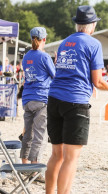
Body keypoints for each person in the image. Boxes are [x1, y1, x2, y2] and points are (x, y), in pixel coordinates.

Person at [45, 5, 108, 194]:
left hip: (54, 98)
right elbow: (97, 81)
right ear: (92, 24)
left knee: (56, 155)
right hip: (75, 101)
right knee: (71, 157)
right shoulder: (93, 44)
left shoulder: (65, 42)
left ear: (77, 24)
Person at [20, 27, 56, 183]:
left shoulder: (26, 57)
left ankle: (24, 166)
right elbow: (55, 75)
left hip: (27, 99)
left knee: (28, 134)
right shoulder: (44, 56)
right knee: (40, 136)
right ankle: (35, 170)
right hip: (41, 98)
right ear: (44, 39)